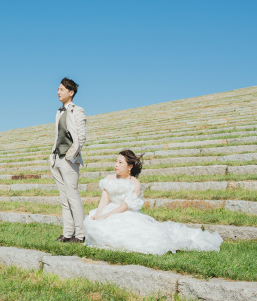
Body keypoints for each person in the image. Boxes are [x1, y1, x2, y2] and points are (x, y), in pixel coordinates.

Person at [84, 149, 223, 255]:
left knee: (128, 234)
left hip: (125, 213)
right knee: (93, 223)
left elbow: (124, 206)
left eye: (120, 162)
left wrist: (106, 216)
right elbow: (104, 200)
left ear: (130, 166)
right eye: (115, 161)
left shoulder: (134, 183)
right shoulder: (109, 178)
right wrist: (98, 214)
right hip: (109, 209)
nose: (116, 165)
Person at [49, 77, 87, 243]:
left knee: (73, 197)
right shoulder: (59, 112)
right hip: (57, 159)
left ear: (71, 93)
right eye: (58, 89)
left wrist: (71, 157)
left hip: (69, 160)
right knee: (64, 199)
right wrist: (53, 157)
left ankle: (80, 234)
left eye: (62, 89)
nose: (58, 92)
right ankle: (67, 233)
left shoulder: (77, 111)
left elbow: (81, 137)